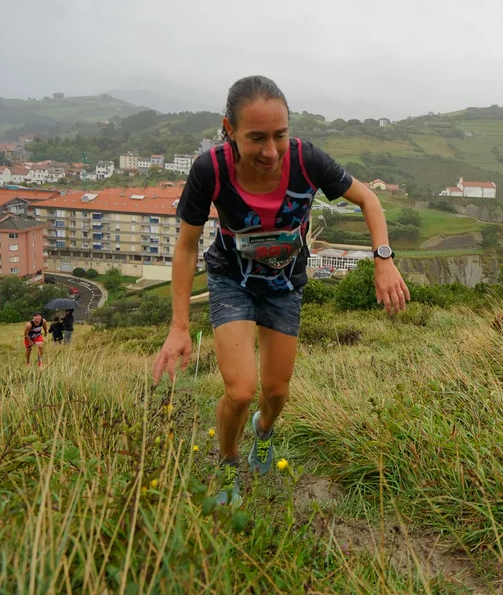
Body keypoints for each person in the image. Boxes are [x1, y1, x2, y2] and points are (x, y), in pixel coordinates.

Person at [152, 75, 410, 507]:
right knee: (240, 390)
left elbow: (368, 199)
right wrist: (179, 326)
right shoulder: (210, 169)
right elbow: (185, 246)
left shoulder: (307, 161)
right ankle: (229, 464)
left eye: (280, 135)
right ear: (229, 129)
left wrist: (383, 259)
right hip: (231, 279)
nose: (271, 151)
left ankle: (264, 431)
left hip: (285, 284)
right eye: (256, 138)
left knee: (275, 392)